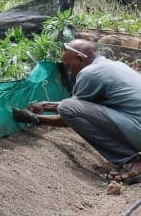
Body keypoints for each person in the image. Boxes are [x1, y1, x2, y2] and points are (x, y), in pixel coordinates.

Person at [13, 38, 141, 183]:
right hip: (135, 122)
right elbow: (83, 105)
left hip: (137, 128)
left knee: (66, 108)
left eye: (68, 66)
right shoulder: (114, 65)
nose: (68, 72)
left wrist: (34, 119)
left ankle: (132, 162)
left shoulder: (90, 73)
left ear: (80, 59)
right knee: (68, 106)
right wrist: (44, 104)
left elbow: (69, 113)